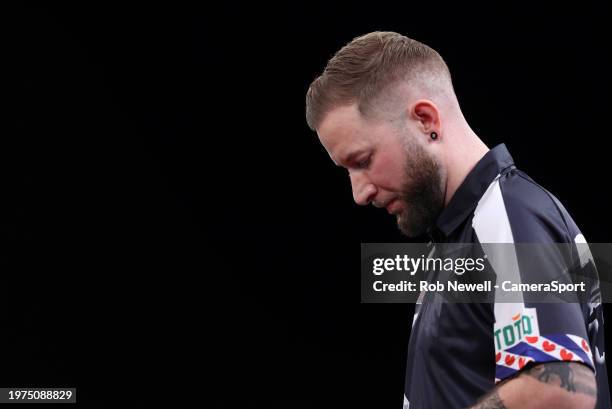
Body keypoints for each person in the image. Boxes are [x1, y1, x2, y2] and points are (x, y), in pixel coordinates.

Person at [305, 31, 610, 409]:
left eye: (363, 160)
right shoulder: (461, 235)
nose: (359, 193)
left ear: (425, 119)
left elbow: (561, 388)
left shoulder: (509, 213)